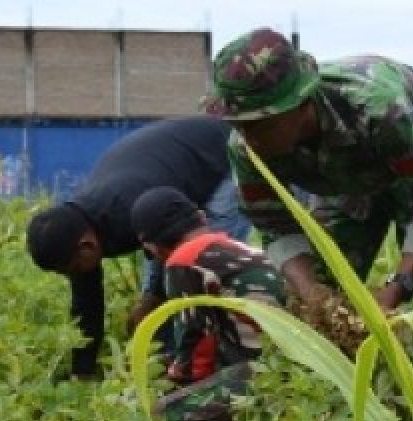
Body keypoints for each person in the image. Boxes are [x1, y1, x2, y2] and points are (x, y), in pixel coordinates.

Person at [203, 27, 413, 421]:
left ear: (299, 106)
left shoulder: (380, 111)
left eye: (260, 124)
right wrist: (312, 294)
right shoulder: (247, 148)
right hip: (347, 185)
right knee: (320, 315)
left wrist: (397, 287)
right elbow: (274, 227)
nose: (248, 138)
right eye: (239, 125)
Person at [26, 117, 249, 378]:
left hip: (220, 157)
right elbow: (87, 306)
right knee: (160, 293)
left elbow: (176, 252)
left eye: (71, 270)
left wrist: (152, 299)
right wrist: (81, 374)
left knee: (204, 265)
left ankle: (215, 364)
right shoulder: (81, 230)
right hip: (166, 181)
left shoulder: (125, 209)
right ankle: (165, 357)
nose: (73, 276)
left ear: (86, 246)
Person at [128, 186, 286, 421]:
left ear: (151, 246)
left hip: (259, 375)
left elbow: (196, 345)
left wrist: (177, 387)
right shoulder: (239, 249)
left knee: (155, 420)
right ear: (201, 217)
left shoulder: (184, 261)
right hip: (283, 367)